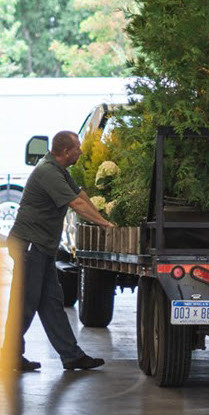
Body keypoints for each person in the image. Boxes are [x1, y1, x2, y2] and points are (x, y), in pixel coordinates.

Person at [1, 130, 116, 372]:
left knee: (52, 303)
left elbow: (80, 195)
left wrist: (101, 215)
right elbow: (75, 204)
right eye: (77, 148)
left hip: (41, 248)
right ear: (65, 151)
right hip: (29, 247)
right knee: (26, 303)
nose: (81, 151)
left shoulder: (59, 170)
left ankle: (71, 355)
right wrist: (104, 224)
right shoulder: (48, 172)